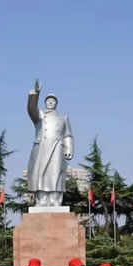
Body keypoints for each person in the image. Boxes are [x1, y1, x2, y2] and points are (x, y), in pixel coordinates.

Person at [26, 79, 74, 207]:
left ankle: (55, 200)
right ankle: (41, 200)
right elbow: (31, 108)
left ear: (56, 103)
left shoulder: (63, 118)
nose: (51, 102)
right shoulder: (40, 115)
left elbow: (68, 135)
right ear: (45, 103)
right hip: (42, 148)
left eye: (53, 101)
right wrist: (35, 93)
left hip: (57, 148)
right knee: (40, 173)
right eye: (48, 101)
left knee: (56, 174)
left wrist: (69, 149)